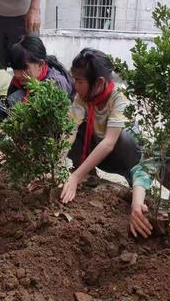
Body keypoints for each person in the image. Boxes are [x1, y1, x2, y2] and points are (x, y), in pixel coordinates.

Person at [60, 49, 141, 204]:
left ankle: (136, 186)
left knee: (126, 138)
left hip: (121, 155)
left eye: (80, 81)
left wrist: (75, 177)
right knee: (70, 124)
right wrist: (58, 164)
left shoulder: (119, 98)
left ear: (99, 83)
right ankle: (88, 174)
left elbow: (109, 143)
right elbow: (70, 128)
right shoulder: (83, 96)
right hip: (99, 149)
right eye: (74, 80)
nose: (75, 86)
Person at [0, 35, 74, 143]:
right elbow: (8, 114)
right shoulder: (18, 80)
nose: (17, 74)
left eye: (24, 68)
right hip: (22, 128)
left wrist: (11, 135)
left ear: (40, 64)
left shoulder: (55, 84)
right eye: (15, 68)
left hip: (47, 137)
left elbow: (44, 125)